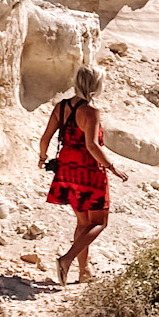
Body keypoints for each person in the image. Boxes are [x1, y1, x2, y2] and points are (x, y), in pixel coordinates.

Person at [40, 66, 128, 285]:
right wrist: (111, 166)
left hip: (66, 171)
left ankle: (84, 272)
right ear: (96, 85)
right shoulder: (90, 111)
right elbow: (92, 144)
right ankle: (66, 259)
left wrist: (42, 158)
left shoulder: (61, 107)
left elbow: (45, 138)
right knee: (99, 222)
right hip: (89, 172)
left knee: (83, 223)